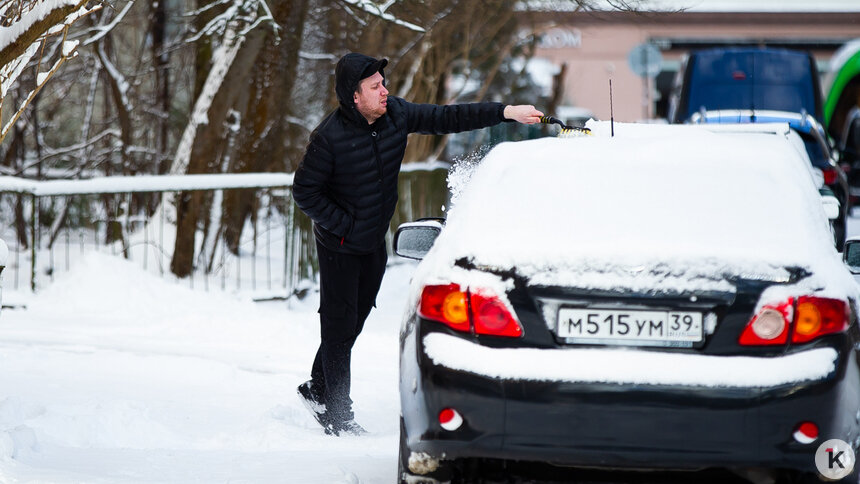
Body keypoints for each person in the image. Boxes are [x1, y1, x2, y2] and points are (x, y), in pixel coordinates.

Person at [292, 52, 543, 436]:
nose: (384, 91)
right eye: (375, 87)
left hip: (372, 243)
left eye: (383, 83)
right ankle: (337, 415)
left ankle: (318, 388)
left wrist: (506, 111)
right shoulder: (329, 138)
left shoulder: (396, 115)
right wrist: (345, 227)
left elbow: (448, 117)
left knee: (352, 324)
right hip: (339, 246)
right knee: (339, 329)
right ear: (354, 97)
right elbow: (304, 191)